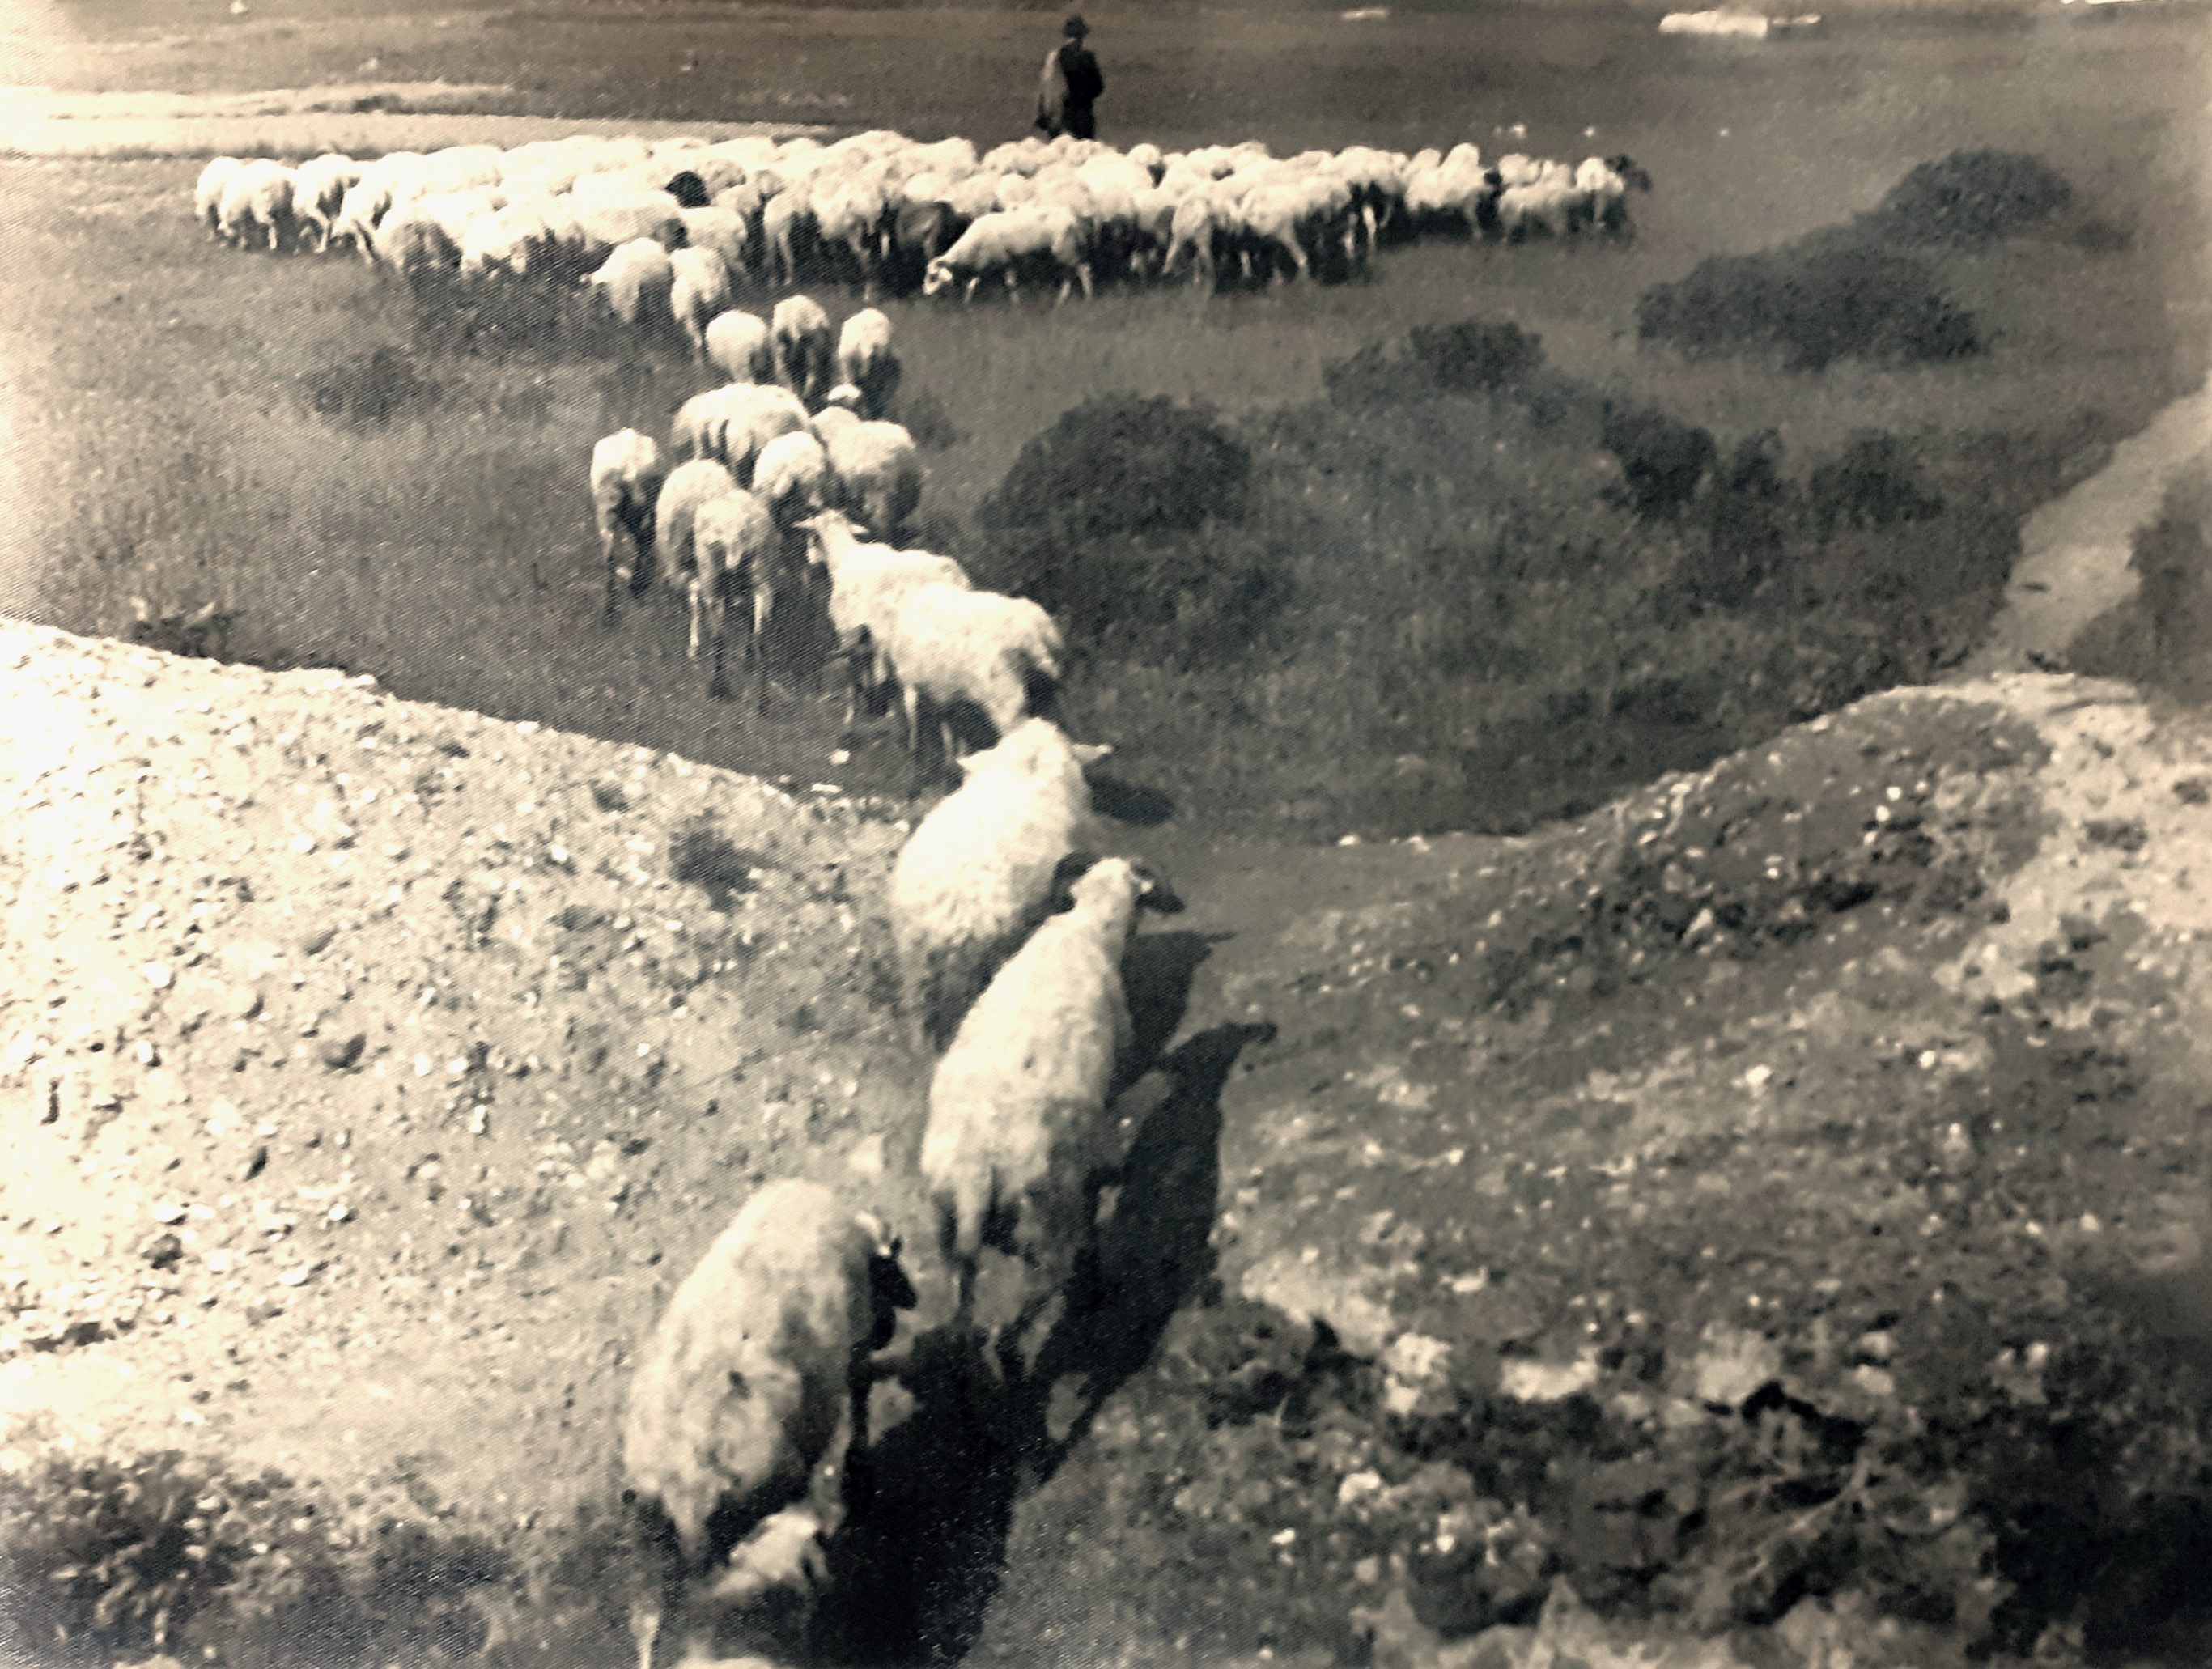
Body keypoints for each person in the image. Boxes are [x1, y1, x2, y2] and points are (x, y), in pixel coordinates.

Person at [1036, 15, 1103, 142]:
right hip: (1082, 115)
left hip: (1058, 115)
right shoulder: (1086, 57)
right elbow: (1098, 88)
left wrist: (1043, 115)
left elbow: (1045, 88)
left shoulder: (1053, 57)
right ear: (1082, 35)